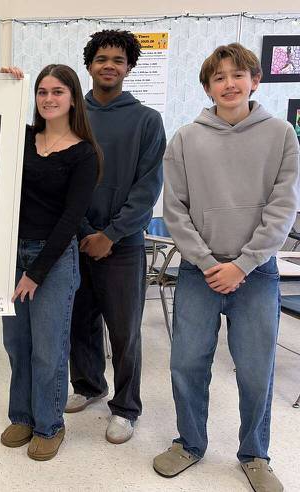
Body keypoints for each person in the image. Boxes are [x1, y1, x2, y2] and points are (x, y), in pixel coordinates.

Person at [154, 43, 299, 492]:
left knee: (256, 370)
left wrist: (243, 264)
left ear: (255, 81)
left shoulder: (281, 135)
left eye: (238, 75)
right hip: (198, 272)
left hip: (256, 275)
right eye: (219, 77)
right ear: (208, 87)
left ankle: (255, 454)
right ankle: (189, 443)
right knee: (187, 364)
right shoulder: (186, 138)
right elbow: (175, 209)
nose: (229, 83)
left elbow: (283, 208)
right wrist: (206, 261)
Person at [66, 29, 166, 444]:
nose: (109, 65)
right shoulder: (71, 115)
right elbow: (62, 180)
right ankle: (88, 385)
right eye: (102, 59)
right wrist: (85, 231)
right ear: (89, 65)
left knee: (124, 331)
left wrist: (110, 234)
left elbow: (148, 187)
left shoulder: (147, 120)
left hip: (123, 245)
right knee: (78, 321)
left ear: (129, 68)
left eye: (118, 60)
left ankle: (126, 407)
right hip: (75, 240)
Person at [0, 64, 101, 460]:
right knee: (16, 344)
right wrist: (7, 84)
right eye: (42, 91)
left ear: (73, 98)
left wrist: (35, 273)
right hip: (12, 253)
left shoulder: (84, 153)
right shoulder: (23, 137)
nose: (48, 98)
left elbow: (71, 220)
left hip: (54, 260)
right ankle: (22, 416)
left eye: (57, 91)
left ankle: (49, 424)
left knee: (48, 348)